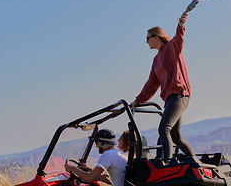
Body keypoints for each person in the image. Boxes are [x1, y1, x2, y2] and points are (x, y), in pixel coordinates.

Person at [130, 12, 195, 162]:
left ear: (156, 37)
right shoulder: (156, 60)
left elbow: (179, 39)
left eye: (147, 38)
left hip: (179, 95)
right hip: (170, 99)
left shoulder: (172, 47)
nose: (146, 42)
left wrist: (180, 25)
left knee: (163, 129)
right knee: (176, 137)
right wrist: (138, 101)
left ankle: (167, 163)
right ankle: (194, 163)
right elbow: (151, 84)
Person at [64, 129, 129, 186]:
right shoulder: (119, 154)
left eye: (96, 143)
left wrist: (72, 168)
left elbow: (89, 178)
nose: (96, 146)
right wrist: (88, 168)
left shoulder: (108, 154)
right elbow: (108, 179)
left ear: (102, 143)